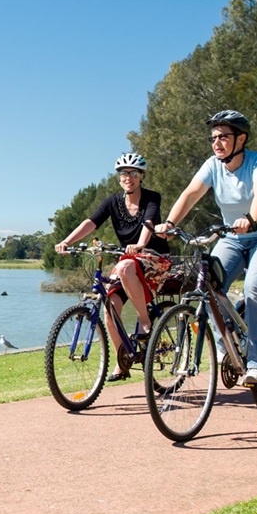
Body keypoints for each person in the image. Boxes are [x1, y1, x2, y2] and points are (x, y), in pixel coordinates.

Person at [154, 110, 257, 388]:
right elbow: (191, 194)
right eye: (213, 137)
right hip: (232, 237)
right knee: (207, 285)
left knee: (254, 286)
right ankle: (228, 345)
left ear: (240, 139)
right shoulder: (212, 165)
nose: (216, 142)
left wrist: (251, 219)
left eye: (223, 137)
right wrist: (169, 223)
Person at [55, 153, 171, 381]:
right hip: (129, 259)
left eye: (134, 173)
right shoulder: (113, 201)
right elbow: (91, 222)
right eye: (124, 173)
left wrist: (140, 244)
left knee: (125, 266)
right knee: (110, 307)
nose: (128, 177)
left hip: (153, 257)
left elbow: (149, 221)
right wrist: (68, 241)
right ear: (119, 178)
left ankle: (144, 319)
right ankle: (123, 360)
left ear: (141, 177)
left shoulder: (151, 198)